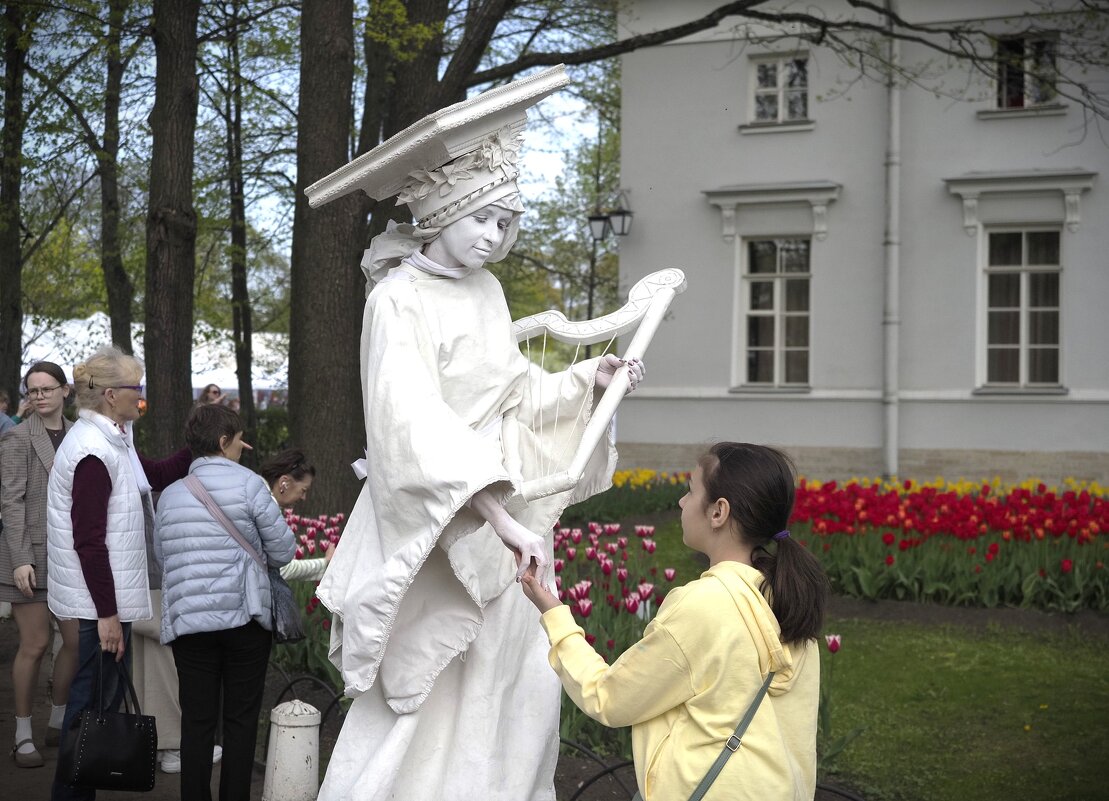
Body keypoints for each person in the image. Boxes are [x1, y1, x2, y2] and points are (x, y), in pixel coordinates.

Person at [315, 67, 644, 800]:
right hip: (444, 524)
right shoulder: (397, 300)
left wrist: (583, 381)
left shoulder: (488, 291)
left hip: (509, 524)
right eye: (483, 219)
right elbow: (409, 426)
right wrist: (494, 515)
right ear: (440, 213)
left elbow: (514, 391)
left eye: (506, 222)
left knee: (514, 682)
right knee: (431, 686)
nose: (495, 238)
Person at [520, 443, 829, 801]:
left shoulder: (703, 605)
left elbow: (609, 697)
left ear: (719, 512)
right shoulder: (790, 600)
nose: (682, 503)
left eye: (690, 490)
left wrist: (553, 613)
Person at [46, 345, 193, 801]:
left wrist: (206, 447)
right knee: (89, 711)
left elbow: (157, 472)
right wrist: (107, 615)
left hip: (104, 602)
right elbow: (88, 541)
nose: (141, 397)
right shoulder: (93, 451)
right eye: (137, 390)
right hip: (96, 608)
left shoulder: (115, 439)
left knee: (96, 707)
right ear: (111, 395)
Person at [154, 404, 295, 801]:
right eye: (238, 440)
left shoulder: (171, 495)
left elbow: (164, 559)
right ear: (222, 442)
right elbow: (283, 551)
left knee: (196, 723)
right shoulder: (251, 485)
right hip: (244, 621)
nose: (242, 447)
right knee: (240, 720)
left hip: (189, 625)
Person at [0, 363, 78, 768]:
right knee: (35, 644)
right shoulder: (15, 439)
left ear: (65, 391)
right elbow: (10, 503)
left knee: (77, 642)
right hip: (27, 556)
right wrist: (20, 560)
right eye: (33, 391)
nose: (40, 396)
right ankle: (23, 733)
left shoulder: (81, 434)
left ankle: (59, 721)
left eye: (47, 389)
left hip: (72, 555)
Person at [259, 449, 331, 581]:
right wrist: (325, 562)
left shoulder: (258, 501)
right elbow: (282, 569)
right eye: (303, 490)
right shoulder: (265, 512)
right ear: (284, 483)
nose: (304, 497)